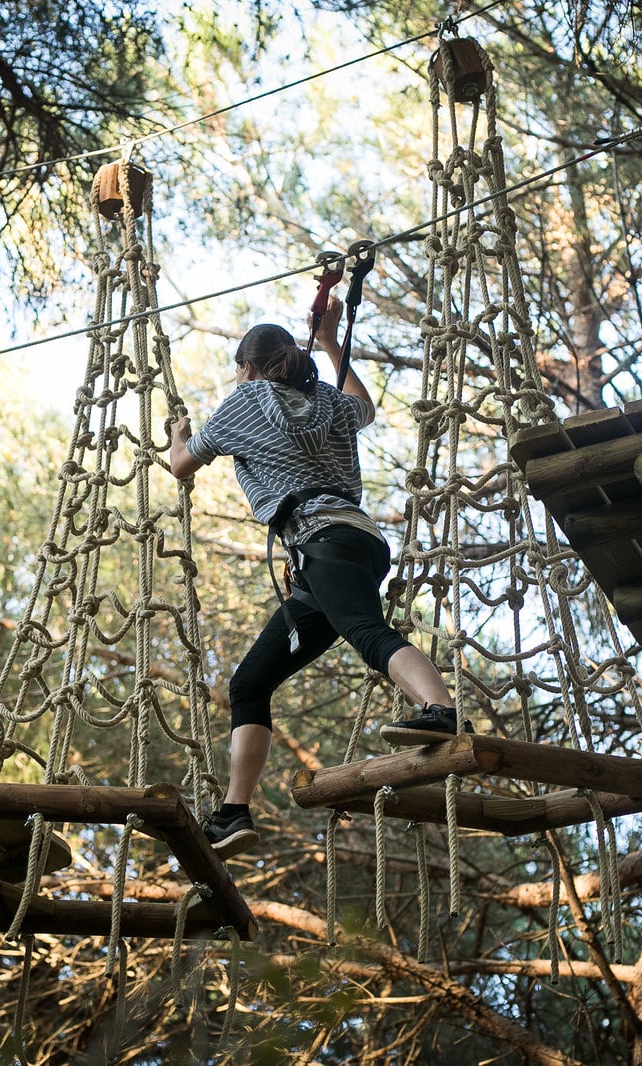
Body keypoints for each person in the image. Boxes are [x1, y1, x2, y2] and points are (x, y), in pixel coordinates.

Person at [170, 295, 470, 859]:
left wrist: (178, 436)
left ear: (246, 367)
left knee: (366, 631)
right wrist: (331, 342)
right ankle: (233, 813)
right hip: (349, 544)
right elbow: (365, 406)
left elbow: (183, 466)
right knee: (249, 684)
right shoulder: (328, 401)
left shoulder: (243, 403)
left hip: (322, 542)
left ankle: (442, 710)